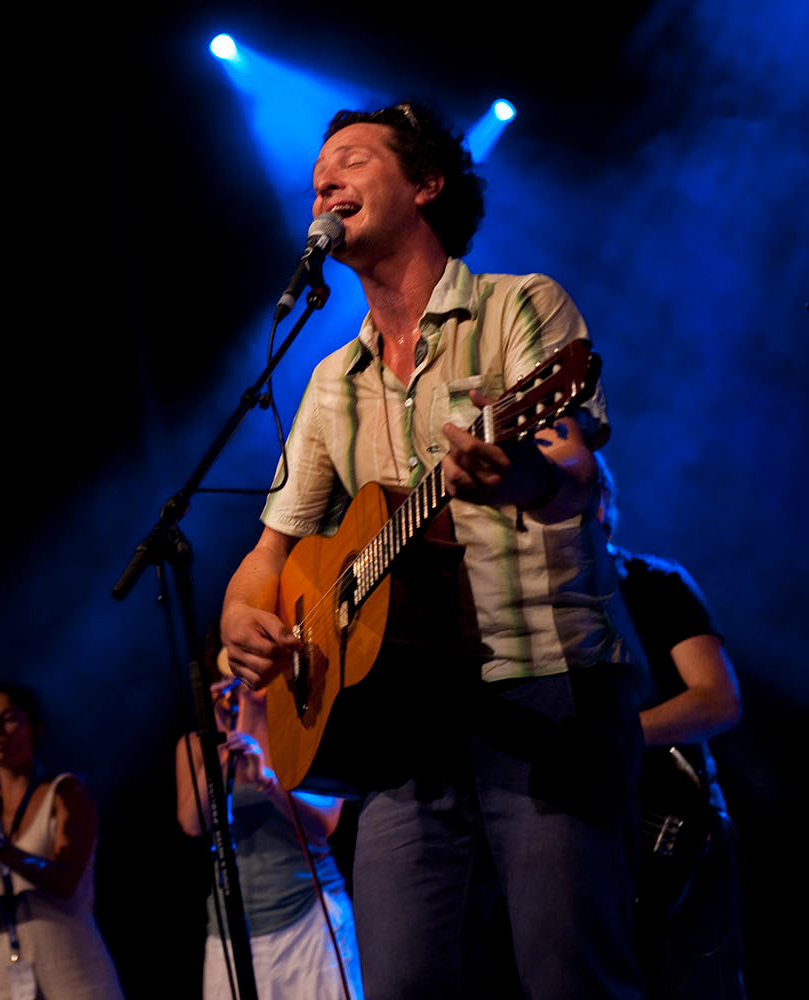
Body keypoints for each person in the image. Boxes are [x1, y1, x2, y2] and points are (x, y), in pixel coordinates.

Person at [219, 100, 648, 999]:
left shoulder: (520, 305)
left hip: (541, 687)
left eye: (351, 159)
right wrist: (242, 614)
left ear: (425, 184)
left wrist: (518, 478)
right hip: (398, 727)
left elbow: (575, 476)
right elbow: (271, 551)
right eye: (317, 176)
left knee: (569, 976)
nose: (324, 181)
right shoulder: (331, 382)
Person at [596, 455, 746, 999]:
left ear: (600, 503)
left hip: (671, 834)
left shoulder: (656, 583)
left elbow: (718, 700)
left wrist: (616, 738)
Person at [174, 653, 363, 1000]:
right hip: (231, 933)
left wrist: (268, 783)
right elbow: (192, 822)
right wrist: (221, 744)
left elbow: (325, 823)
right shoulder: (197, 746)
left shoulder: (307, 728)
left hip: (309, 919)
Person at [0, 683, 125, 1000]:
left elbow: (65, 881)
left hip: (76, 978)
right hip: (9, 983)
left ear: (35, 728)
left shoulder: (66, 792)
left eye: (8, 719)